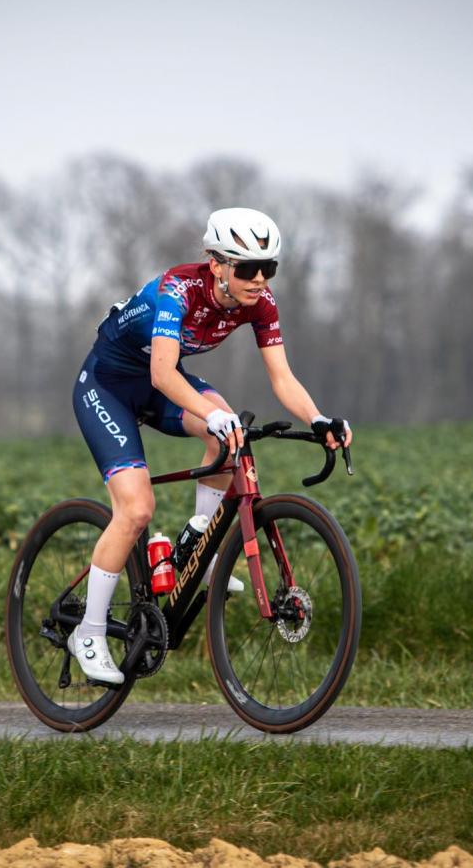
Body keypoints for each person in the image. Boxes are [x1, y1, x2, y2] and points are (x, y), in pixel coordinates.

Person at [70, 207, 352, 684]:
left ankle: (198, 549)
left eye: (269, 268)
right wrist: (212, 414)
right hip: (108, 386)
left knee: (230, 433)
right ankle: (89, 632)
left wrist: (319, 418)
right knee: (137, 509)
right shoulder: (177, 291)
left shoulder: (259, 302)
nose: (260, 279)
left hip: (158, 386)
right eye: (248, 268)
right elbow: (162, 374)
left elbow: (282, 377)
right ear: (216, 263)